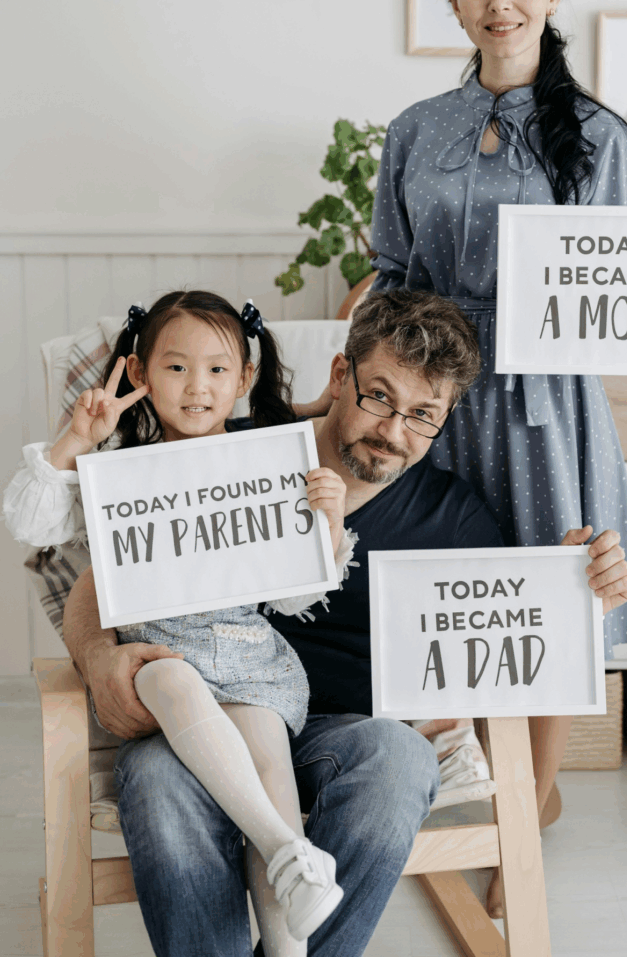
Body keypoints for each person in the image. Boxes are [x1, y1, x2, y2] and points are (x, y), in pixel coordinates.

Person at [9, 289, 627, 957]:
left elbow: (514, 632)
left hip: (345, 734)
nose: (393, 431)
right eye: (379, 397)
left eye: (423, 415)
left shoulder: (453, 518)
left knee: (401, 759)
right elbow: (98, 578)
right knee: (159, 782)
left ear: (445, 418)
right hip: (200, 723)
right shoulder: (233, 450)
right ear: (340, 376)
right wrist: (98, 658)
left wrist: (578, 596)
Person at [368, 0, 627, 915]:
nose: (499, 1)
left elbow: (618, 266)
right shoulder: (414, 131)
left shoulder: (601, 133)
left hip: (549, 403)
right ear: (455, 3)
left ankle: (528, 805)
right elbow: (393, 271)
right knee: (455, 600)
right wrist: (359, 380)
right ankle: (457, 783)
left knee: (554, 597)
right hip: (438, 394)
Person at [4, 289, 356, 953]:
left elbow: (294, 596)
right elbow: (30, 522)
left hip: (248, 658)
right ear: (140, 372)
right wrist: (77, 439)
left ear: (244, 378)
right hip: (158, 658)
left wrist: (329, 524)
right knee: (169, 677)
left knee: (270, 768)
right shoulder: (115, 471)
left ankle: (289, 900)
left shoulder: (267, 464)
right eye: (176, 367)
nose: (198, 387)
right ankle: (288, 847)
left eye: (218, 369)